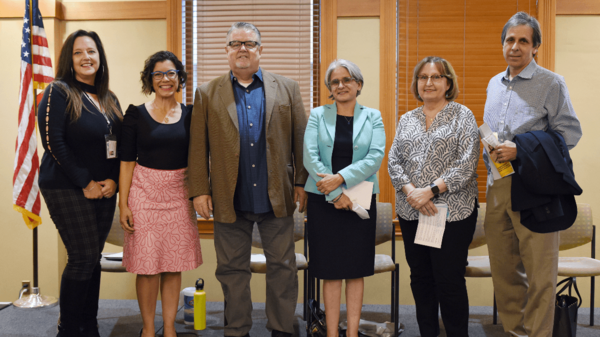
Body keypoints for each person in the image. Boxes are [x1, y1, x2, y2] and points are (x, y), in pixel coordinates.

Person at [187, 22, 308, 337]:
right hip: (229, 197)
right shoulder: (206, 93)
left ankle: (282, 329)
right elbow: (197, 148)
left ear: (260, 50)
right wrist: (199, 190)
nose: (242, 48)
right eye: (235, 43)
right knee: (231, 270)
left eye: (249, 43)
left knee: (283, 268)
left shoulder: (287, 88)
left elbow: (301, 140)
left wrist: (301, 183)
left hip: (276, 196)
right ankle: (237, 329)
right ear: (226, 50)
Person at [483, 12, 582, 337]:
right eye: (510, 40)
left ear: (535, 46)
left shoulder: (551, 83)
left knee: (540, 276)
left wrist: (521, 149)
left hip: (535, 189)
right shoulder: (494, 84)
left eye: (523, 41)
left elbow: (568, 133)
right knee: (505, 274)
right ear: (502, 44)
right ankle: (515, 333)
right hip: (497, 188)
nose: (515, 46)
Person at [38, 30, 122, 337]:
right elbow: (53, 142)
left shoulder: (109, 99)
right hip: (65, 186)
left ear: (100, 57)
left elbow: (119, 144)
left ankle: (90, 324)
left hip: (104, 189)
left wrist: (113, 178)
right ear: (69, 60)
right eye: (78, 52)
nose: (86, 57)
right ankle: (69, 328)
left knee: (93, 259)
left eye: (92, 51)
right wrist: (85, 181)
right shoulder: (58, 92)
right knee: (83, 257)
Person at [388, 56, 480, 337]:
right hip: (411, 211)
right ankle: (428, 332)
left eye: (436, 77)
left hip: (453, 212)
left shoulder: (463, 115)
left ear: (448, 82)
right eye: (423, 77)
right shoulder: (407, 118)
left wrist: (430, 191)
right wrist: (412, 192)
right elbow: (394, 161)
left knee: (449, 280)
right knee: (421, 279)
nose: (429, 82)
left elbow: (467, 162)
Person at [119, 51, 203, 337]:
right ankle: (147, 330)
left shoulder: (192, 114)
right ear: (150, 80)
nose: (165, 79)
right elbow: (127, 162)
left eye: (170, 73)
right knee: (147, 266)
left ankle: (169, 329)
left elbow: (200, 159)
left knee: (173, 263)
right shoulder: (135, 115)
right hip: (144, 195)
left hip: (179, 195)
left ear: (179, 78)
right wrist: (124, 204)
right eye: (158, 74)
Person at [303, 59, 385, 337]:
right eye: (335, 82)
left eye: (347, 80)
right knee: (330, 269)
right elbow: (309, 157)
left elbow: (375, 157)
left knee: (355, 268)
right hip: (322, 202)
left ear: (358, 84)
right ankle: (332, 334)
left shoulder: (373, 116)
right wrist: (336, 192)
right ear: (329, 88)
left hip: (360, 199)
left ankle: (351, 333)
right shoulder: (317, 115)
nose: (341, 85)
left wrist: (340, 179)